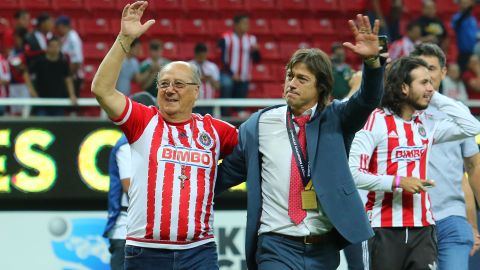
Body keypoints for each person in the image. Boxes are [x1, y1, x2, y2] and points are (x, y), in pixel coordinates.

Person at [217, 15, 384, 270]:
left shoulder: (337, 118)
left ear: (321, 88)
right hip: (276, 245)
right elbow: (228, 173)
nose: (291, 83)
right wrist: (188, 188)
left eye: (302, 79)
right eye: (289, 76)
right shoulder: (259, 125)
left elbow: (367, 100)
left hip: (323, 247)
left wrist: (372, 64)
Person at [91, 2, 238, 269]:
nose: (170, 90)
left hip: (199, 252)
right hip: (145, 252)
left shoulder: (216, 131)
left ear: (197, 92)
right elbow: (102, 89)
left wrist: (213, 183)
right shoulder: (143, 121)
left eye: (179, 84)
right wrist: (125, 39)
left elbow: (251, 156)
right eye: (164, 84)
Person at [348, 56, 480, 269]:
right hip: (383, 228)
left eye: (431, 81)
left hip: (423, 229)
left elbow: (471, 127)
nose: (431, 87)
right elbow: (353, 173)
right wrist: (398, 182)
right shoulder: (375, 121)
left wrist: (433, 96)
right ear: (403, 88)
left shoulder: (425, 125)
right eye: (424, 83)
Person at [410, 43, 480, 269]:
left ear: (444, 72)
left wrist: (473, 223)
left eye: (431, 68)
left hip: (451, 217)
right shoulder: (395, 112)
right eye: (420, 68)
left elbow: (471, 169)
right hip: (409, 219)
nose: (426, 76)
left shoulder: (457, 113)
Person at [103, 92, 157, 270]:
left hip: (142, 231)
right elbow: (130, 187)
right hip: (127, 231)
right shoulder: (127, 145)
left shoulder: (141, 142)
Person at [218, 14, 261, 116]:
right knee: (226, 86)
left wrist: (256, 51)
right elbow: (221, 59)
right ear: (236, 24)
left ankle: (237, 118)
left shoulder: (252, 39)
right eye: (244, 23)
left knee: (240, 104)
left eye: (247, 23)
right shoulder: (226, 38)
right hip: (228, 74)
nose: (247, 26)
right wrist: (231, 73)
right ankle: (224, 116)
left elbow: (257, 60)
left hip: (244, 76)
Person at [30, 36, 76, 116]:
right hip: (41, 101)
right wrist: (32, 91)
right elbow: (26, 73)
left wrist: (72, 94)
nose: (54, 49)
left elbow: (68, 79)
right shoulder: (39, 61)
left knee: (58, 126)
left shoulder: (63, 63)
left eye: (57, 46)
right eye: (52, 46)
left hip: (58, 101)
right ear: (47, 47)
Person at [56, 15, 84, 98]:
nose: (57, 29)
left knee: (72, 103)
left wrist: (68, 75)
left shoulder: (73, 38)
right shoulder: (65, 37)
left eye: (58, 26)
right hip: (68, 76)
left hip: (73, 76)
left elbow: (77, 60)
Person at [189, 42, 220, 115]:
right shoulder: (189, 66)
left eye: (203, 56)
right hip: (193, 103)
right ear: (195, 54)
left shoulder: (212, 67)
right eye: (200, 56)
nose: (202, 59)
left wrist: (210, 79)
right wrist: (198, 79)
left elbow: (217, 86)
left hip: (208, 103)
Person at [452, 0, 478, 73]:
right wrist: (467, 10)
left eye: (467, 3)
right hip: (463, 53)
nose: (466, 6)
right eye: (464, 3)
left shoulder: (473, 19)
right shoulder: (456, 17)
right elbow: (456, 24)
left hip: (474, 53)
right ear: (459, 5)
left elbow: (476, 34)